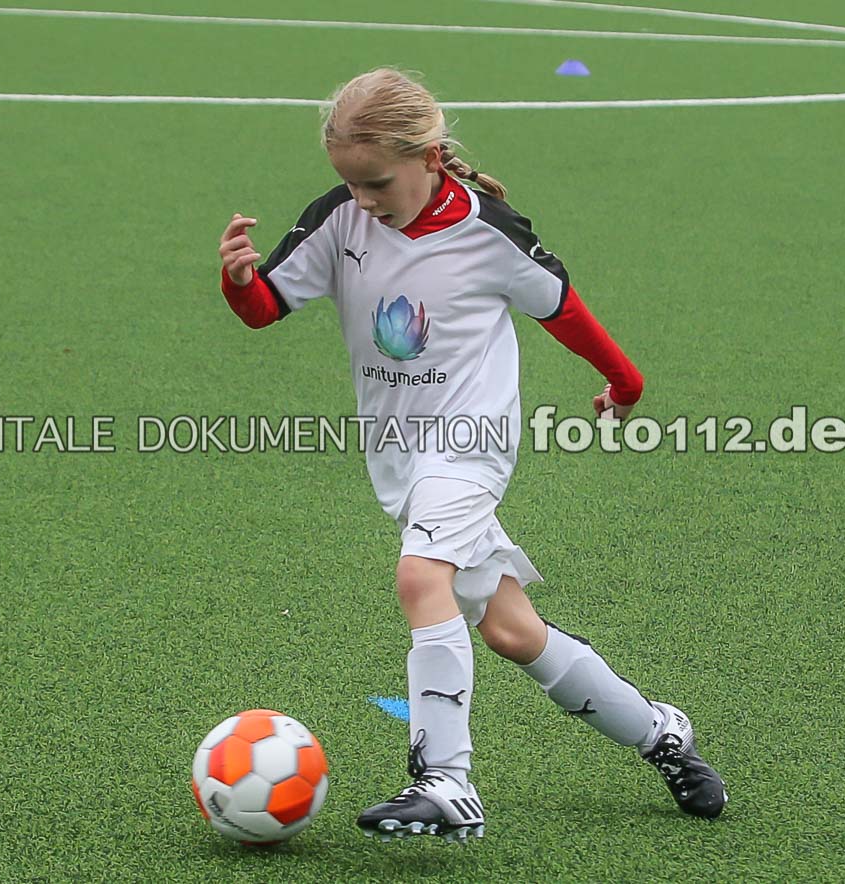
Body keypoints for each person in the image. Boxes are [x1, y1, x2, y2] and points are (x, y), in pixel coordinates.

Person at [218, 67, 727, 843]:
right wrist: (238, 280)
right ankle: (662, 732)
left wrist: (626, 383)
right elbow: (266, 308)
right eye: (350, 183)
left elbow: (563, 309)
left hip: (470, 444)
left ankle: (446, 781)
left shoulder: (489, 232)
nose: (363, 200)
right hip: (399, 458)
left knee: (420, 578)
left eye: (377, 183)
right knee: (512, 632)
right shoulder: (340, 219)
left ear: (429, 158)